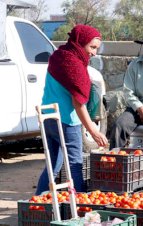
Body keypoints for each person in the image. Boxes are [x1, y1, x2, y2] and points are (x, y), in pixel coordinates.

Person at [35, 24, 108, 195]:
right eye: (92, 47)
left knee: (53, 165)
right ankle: (80, 208)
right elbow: (78, 103)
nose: (94, 53)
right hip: (67, 121)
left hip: (47, 118)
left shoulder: (58, 56)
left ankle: (37, 203)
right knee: (75, 165)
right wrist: (94, 131)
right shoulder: (74, 64)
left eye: (97, 48)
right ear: (80, 42)